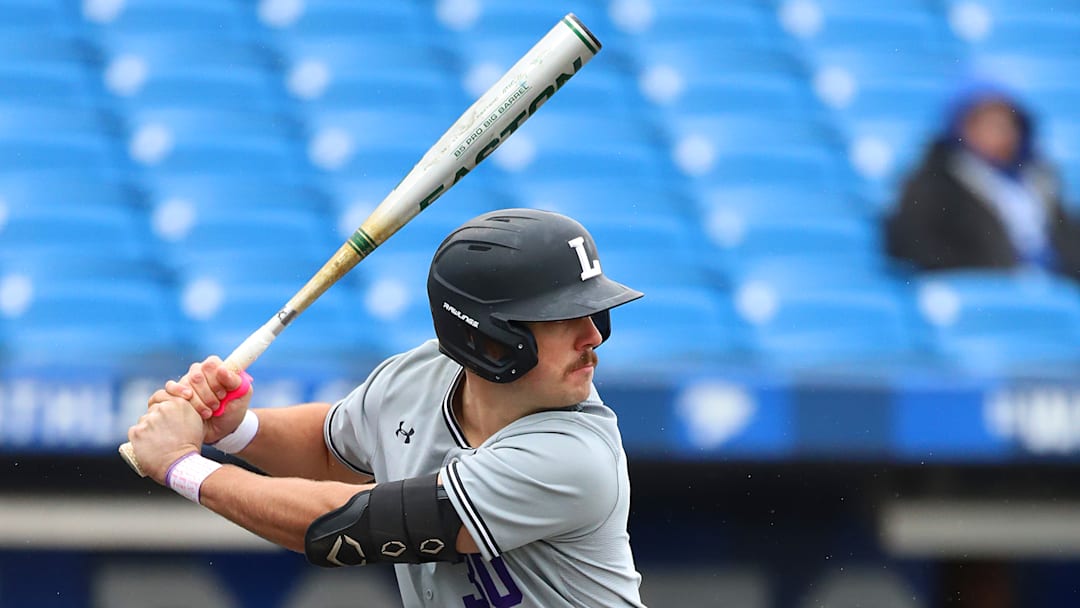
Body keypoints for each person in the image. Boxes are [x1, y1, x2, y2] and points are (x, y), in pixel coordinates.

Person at [127, 208, 648, 607]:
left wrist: (183, 466)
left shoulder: (575, 457)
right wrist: (239, 430)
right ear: (489, 338)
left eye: (594, 313)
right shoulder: (418, 376)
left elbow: (347, 526)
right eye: (562, 318)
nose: (593, 336)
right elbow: (335, 451)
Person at [884, 77, 1080, 281]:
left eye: (1006, 124)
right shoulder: (932, 182)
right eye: (988, 124)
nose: (1000, 133)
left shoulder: (1041, 181)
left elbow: (1068, 241)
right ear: (961, 127)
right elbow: (916, 246)